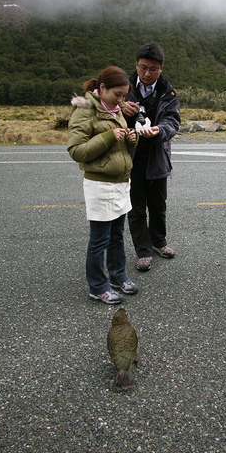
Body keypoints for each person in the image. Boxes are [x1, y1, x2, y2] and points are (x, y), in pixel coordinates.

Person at [67, 66, 139, 304]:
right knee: (99, 239)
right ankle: (97, 286)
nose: (121, 101)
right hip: (99, 185)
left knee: (117, 234)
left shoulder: (114, 109)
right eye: (117, 94)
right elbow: (77, 151)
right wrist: (109, 136)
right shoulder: (85, 111)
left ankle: (118, 275)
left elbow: (119, 148)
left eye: (124, 95)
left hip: (120, 183)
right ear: (102, 88)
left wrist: (131, 139)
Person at [122, 43, 180, 272]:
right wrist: (120, 108)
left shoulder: (169, 93)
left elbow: (173, 121)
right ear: (136, 65)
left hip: (157, 156)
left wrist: (160, 131)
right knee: (136, 207)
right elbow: (104, 107)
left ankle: (159, 242)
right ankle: (143, 250)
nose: (147, 74)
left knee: (158, 205)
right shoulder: (123, 89)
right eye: (143, 67)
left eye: (153, 69)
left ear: (161, 68)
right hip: (130, 157)